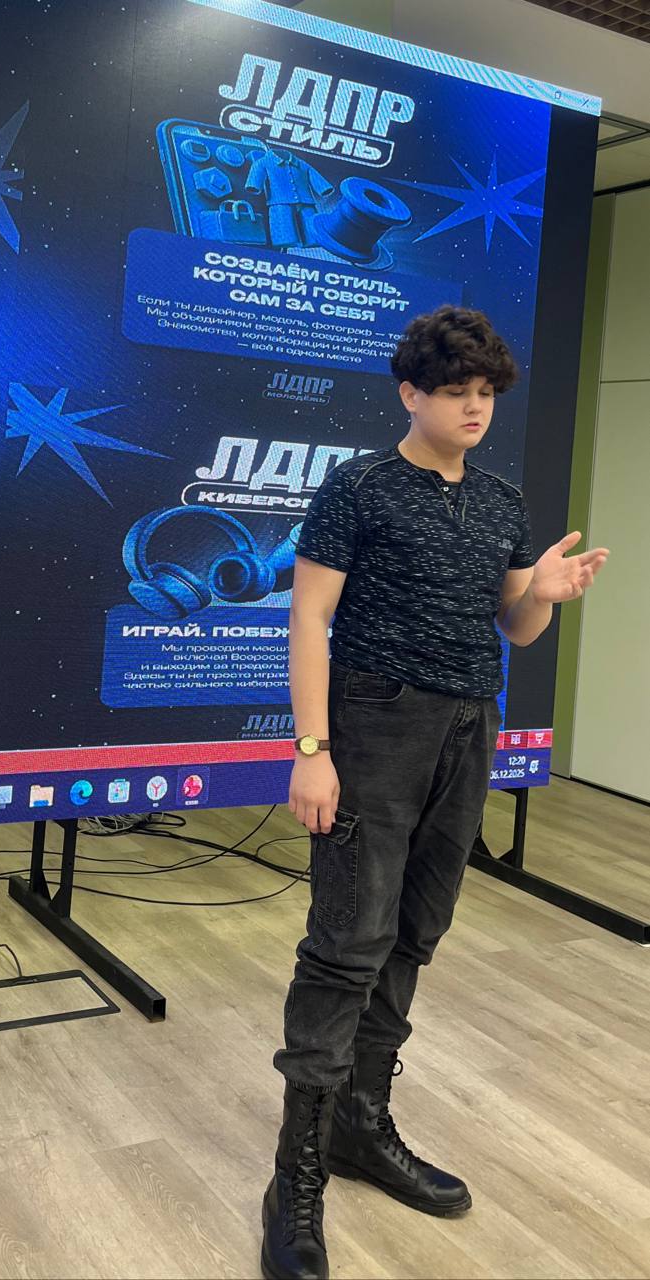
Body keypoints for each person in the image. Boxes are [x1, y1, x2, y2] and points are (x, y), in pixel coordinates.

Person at [260, 305, 609, 1280]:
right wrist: (311, 749)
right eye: (454, 391)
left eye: (485, 392)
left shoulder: (500, 500)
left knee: (414, 930)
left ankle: (359, 1125)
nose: (473, 407)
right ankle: (294, 1173)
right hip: (373, 723)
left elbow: (515, 625)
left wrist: (543, 593)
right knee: (347, 943)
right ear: (409, 392)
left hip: (467, 726)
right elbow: (307, 619)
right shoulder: (357, 487)